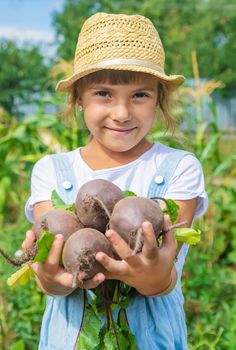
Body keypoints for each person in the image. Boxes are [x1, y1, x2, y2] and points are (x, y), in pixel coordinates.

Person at [22, 12, 208, 350]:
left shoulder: (179, 167)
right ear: (79, 97)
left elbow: (158, 280)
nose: (122, 112)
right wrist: (51, 277)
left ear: (159, 100)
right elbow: (57, 278)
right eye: (103, 94)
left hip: (153, 338)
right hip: (69, 338)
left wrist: (144, 270)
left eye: (140, 95)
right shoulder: (51, 171)